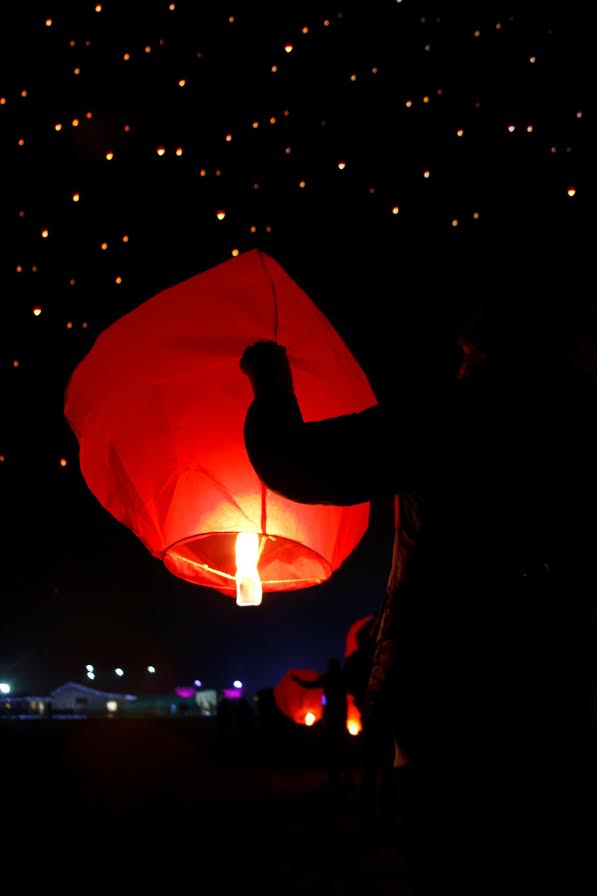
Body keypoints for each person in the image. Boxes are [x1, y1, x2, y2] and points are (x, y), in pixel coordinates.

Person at [240, 289, 596, 893]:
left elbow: (303, 462)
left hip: (448, 695)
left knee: (452, 863)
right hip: (560, 695)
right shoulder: (583, 424)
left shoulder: (458, 417)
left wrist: (271, 387)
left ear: (479, 352)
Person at [292, 658, 348, 788]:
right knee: (342, 744)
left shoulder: (328, 678)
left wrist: (298, 681)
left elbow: (310, 685)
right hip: (339, 715)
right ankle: (345, 775)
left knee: (332, 746)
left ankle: (335, 776)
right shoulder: (342, 677)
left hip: (332, 715)